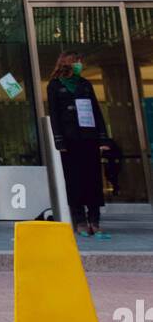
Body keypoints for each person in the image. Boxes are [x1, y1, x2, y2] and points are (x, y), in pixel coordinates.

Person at [47, 50, 109, 237]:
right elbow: (55, 115)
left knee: (93, 179)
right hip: (70, 139)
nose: (80, 64)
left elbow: (96, 111)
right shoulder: (55, 86)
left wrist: (103, 138)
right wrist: (59, 140)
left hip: (89, 138)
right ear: (67, 63)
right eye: (77, 61)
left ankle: (95, 220)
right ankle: (80, 220)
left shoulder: (85, 84)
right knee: (74, 180)